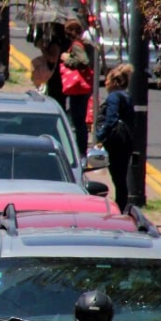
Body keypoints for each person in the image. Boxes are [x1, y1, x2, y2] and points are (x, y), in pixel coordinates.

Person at [96, 64, 135, 212]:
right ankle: (122, 204)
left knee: (117, 177)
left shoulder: (114, 97)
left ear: (114, 82)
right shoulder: (127, 97)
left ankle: (120, 207)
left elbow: (110, 120)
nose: (105, 83)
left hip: (116, 142)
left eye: (107, 80)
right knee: (121, 177)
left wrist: (100, 136)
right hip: (126, 142)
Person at [61, 19, 95, 155]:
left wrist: (67, 59)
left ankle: (80, 151)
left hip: (78, 88)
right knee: (79, 121)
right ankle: (81, 149)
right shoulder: (85, 43)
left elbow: (84, 61)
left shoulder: (76, 45)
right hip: (82, 88)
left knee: (78, 121)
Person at [31, 31, 67, 109]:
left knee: (56, 100)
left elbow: (52, 59)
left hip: (56, 77)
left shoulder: (56, 43)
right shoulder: (65, 41)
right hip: (62, 75)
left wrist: (42, 47)